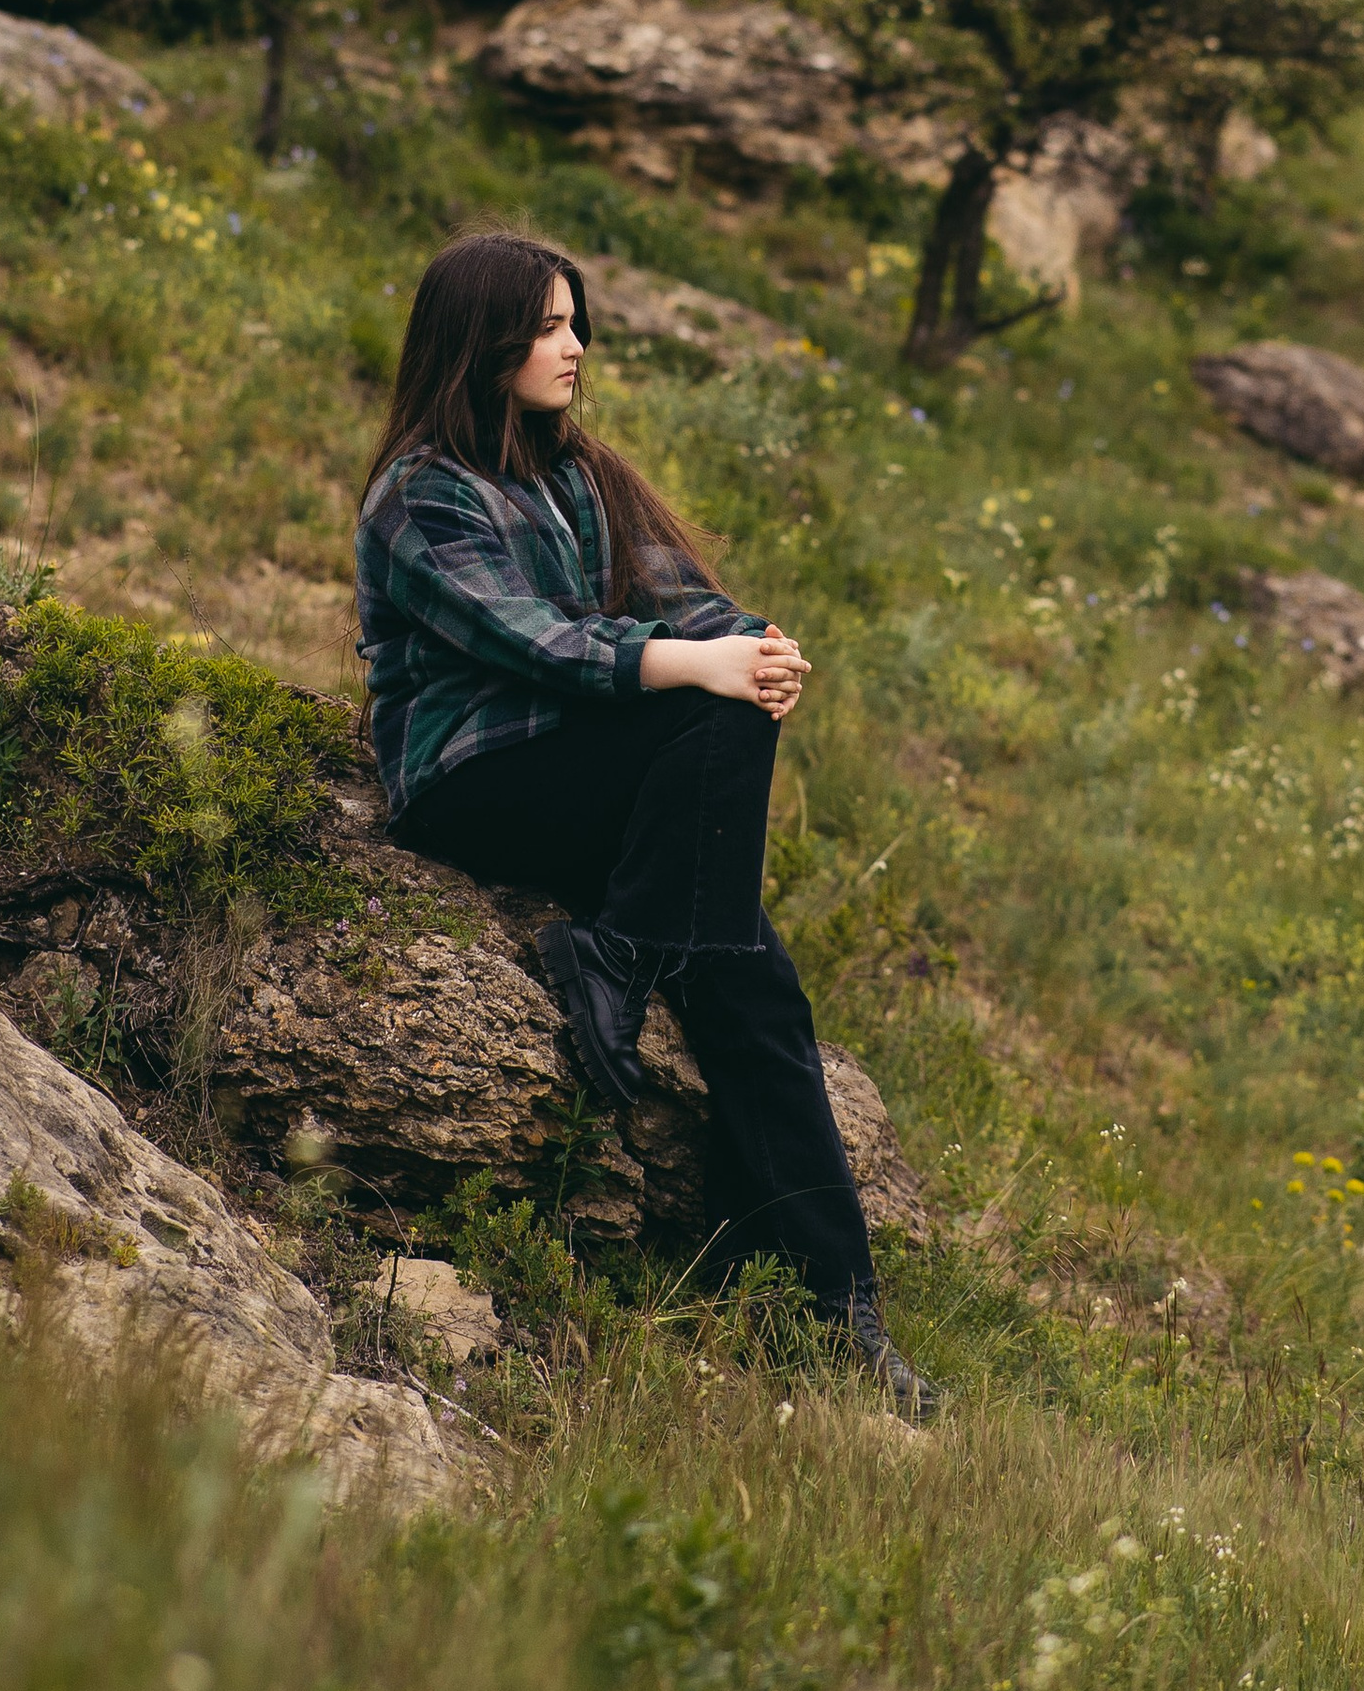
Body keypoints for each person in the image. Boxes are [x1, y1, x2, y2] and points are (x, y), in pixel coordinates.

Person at [355, 223, 936, 1418]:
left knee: (751, 980)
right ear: (483, 340)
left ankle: (839, 1308)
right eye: (550, 326)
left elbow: (689, 603)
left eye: (577, 323)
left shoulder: (584, 475)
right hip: (474, 785)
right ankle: (623, 954)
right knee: (707, 715)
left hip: (588, 780)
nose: (575, 348)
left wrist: (755, 652)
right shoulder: (419, 495)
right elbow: (538, 644)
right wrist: (702, 668)